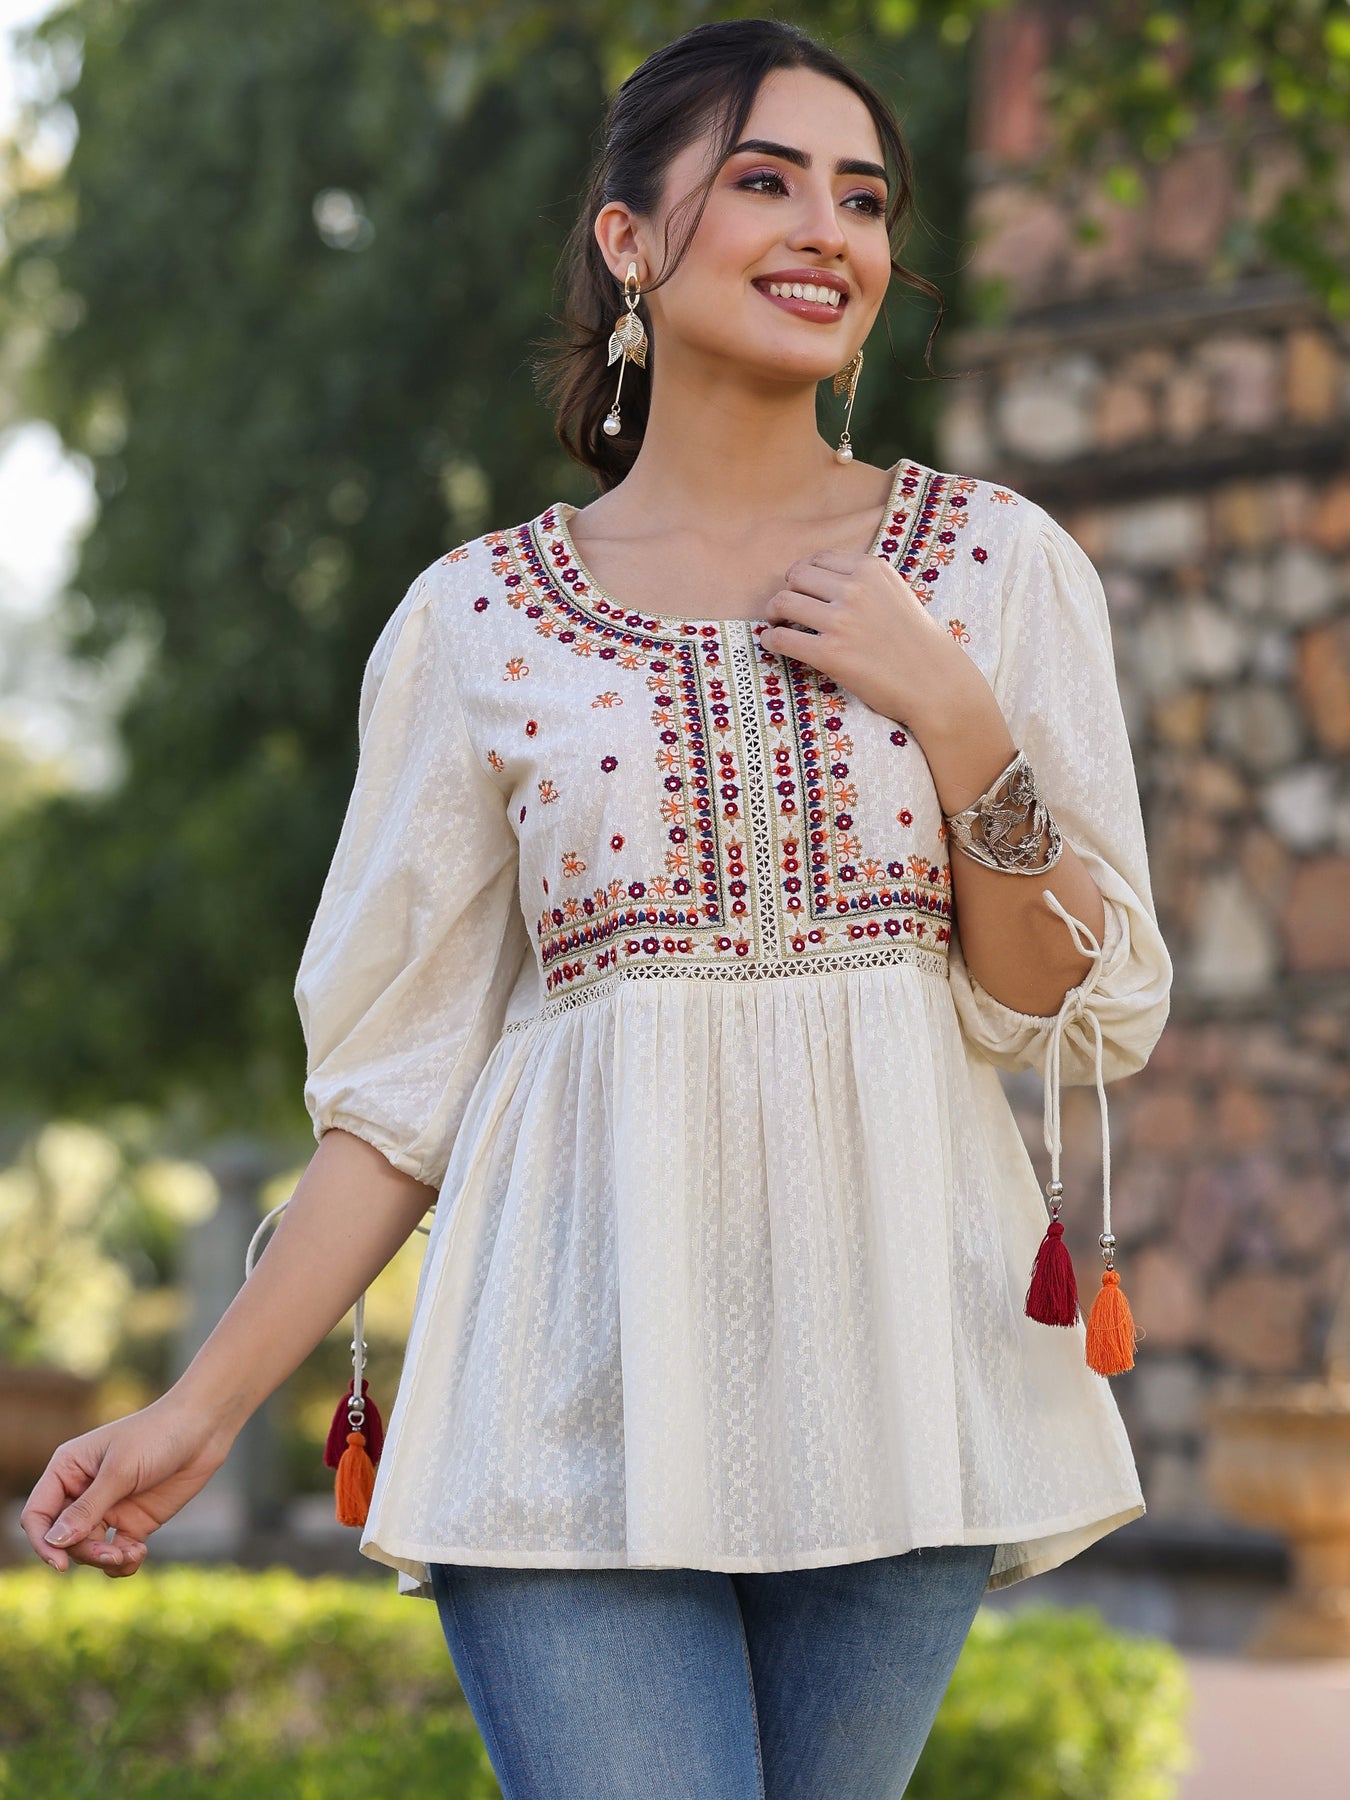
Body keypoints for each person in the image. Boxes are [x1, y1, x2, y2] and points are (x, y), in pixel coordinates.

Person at [21, 17, 1174, 1797]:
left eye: (864, 198)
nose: (829, 231)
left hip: (903, 1382)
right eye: (766, 181)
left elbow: (1045, 999)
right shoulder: (475, 622)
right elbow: (399, 1098)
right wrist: (196, 1409)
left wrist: (954, 714)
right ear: (627, 238)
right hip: (566, 1394)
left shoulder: (995, 569)